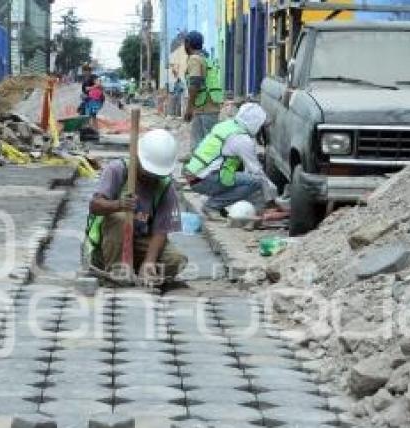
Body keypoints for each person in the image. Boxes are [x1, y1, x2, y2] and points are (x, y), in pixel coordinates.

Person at [85, 129, 188, 286]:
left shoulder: (165, 186)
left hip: (140, 242)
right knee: (119, 218)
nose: (152, 178)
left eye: (157, 175)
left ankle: (141, 271)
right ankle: (116, 273)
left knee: (176, 260)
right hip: (109, 242)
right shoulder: (117, 170)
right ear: (138, 158)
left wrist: (149, 261)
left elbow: (161, 231)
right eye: (148, 173)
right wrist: (118, 205)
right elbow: (95, 206)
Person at [184, 102, 280, 218]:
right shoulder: (242, 139)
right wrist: (272, 198)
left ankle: (216, 203)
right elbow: (257, 172)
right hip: (204, 179)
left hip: (196, 175)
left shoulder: (228, 126)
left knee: (244, 179)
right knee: (255, 182)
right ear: (255, 123)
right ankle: (212, 205)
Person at [184, 31, 223, 151]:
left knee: (208, 146)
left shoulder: (194, 59)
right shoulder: (205, 58)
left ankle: (206, 167)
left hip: (204, 106)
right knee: (199, 143)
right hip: (207, 106)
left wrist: (189, 107)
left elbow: (195, 83)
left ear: (188, 44)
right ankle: (195, 165)